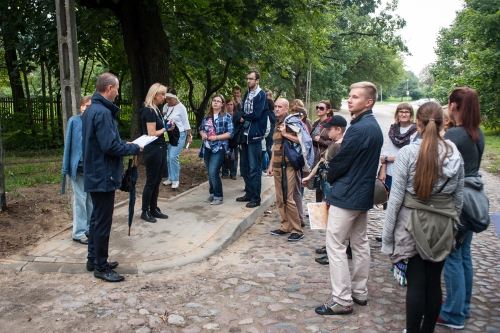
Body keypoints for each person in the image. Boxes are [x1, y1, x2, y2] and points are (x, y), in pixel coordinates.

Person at [381, 101, 464, 333]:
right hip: (442, 224)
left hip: (411, 223)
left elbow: (395, 199)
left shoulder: (408, 153)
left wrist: (388, 237)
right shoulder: (453, 153)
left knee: (416, 282)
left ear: (418, 123)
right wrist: (453, 227)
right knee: (434, 281)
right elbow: (458, 197)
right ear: (442, 123)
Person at [315, 82, 383, 316]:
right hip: (362, 194)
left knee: (335, 245)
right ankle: (359, 292)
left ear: (368, 101)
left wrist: (329, 174)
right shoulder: (372, 126)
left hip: (348, 195)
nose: (349, 100)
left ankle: (343, 299)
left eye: (355, 97)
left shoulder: (360, 128)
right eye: (350, 96)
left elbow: (342, 161)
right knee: (360, 243)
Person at [82, 72, 141, 282]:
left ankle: (93, 259)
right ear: (109, 89)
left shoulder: (92, 110)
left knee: (96, 219)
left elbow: (103, 141)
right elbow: (108, 146)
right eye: (117, 88)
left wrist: (124, 144)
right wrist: (133, 147)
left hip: (96, 172)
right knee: (102, 222)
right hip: (102, 175)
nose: (118, 92)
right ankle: (101, 266)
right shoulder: (103, 112)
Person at [438, 87, 485, 330]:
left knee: (452, 256)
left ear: (454, 106)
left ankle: (453, 313)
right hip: (473, 199)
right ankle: (463, 308)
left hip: (457, 201)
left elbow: (441, 170)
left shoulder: (454, 135)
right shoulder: (478, 133)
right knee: (464, 255)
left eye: (448, 103)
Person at [302, 115, 347, 265]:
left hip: (333, 185)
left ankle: (332, 252)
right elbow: (322, 161)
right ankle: (330, 246)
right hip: (327, 182)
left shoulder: (341, 146)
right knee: (330, 218)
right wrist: (311, 176)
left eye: (329, 130)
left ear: (338, 130)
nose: (326, 133)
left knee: (334, 220)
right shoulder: (334, 144)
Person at [267, 98, 304, 241]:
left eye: (280, 107)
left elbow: (302, 140)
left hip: (288, 166)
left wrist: (286, 134)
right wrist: (270, 165)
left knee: (289, 198)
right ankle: (285, 226)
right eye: (275, 106)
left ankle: (297, 229)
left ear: (286, 108)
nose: (276, 109)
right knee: (280, 198)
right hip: (276, 165)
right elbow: (275, 147)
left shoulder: (291, 123)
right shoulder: (276, 123)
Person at [62, 95, 93, 245]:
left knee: (91, 201)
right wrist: (66, 166)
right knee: (80, 200)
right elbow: (69, 145)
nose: (85, 108)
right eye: (83, 106)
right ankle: (78, 233)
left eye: (89, 106)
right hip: (78, 168)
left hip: (93, 168)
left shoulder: (96, 121)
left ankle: (88, 229)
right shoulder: (74, 121)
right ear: (80, 107)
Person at [236, 70, 268, 208]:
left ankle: (256, 197)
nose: (248, 81)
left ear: (257, 80)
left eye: (251, 79)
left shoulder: (260, 94)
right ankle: (249, 192)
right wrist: (243, 116)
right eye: (247, 78)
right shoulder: (248, 93)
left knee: (255, 167)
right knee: (245, 166)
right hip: (245, 134)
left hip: (255, 135)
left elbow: (256, 113)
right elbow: (244, 109)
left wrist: (244, 117)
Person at [140, 83, 170, 223]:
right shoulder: (149, 111)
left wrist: (166, 126)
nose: (164, 97)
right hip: (153, 150)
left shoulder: (156, 110)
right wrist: (166, 129)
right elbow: (152, 133)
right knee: (151, 181)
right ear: (154, 94)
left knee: (157, 180)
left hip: (160, 148)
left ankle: (154, 208)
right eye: (162, 94)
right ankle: (145, 210)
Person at [198, 94, 234, 205]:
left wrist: (216, 137)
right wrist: (203, 134)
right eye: (214, 100)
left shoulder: (226, 116)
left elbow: (230, 133)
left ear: (222, 104)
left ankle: (219, 196)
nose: (215, 102)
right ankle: (212, 194)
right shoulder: (207, 116)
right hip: (207, 148)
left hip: (219, 148)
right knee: (209, 173)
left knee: (213, 172)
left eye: (218, 101)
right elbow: (201, 129)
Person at [379, 102, 418, 190]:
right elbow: (387, 150)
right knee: (387, 201)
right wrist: (383, 170)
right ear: (397, 114)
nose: (403, 114)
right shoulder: (393, 129)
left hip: (405, 174)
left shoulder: (416, 131)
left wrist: (387, 159)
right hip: (389, 173)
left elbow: (410, 155)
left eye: (406, 112)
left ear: (411, 114)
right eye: (401, 111)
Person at [162, 88, 192, 189]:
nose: (168, 101)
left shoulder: (181, 107)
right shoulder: (166, 106)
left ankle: (175, 179)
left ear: (175, 98)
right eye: (166, 99)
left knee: (173, 156)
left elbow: (186, 123)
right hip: (169, 134)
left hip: (179, 134)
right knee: (167, 156)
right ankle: (170, 178)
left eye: (170, 99)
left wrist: (189, 136)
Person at [308, 101, 334, 202]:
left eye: (321, 108)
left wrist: (321, 140)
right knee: (317, 182)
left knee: (325, 182)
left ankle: (326, 206)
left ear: (327, 110)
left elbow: (335, 142)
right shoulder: (316, 122)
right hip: (315, 155)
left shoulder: (330, 124)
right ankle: (319, 206)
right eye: (317, 107)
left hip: (324, 156)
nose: (318, 109)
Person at [221, 97, 238, 180]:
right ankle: (224, 173)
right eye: (228, 104)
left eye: (231, 104)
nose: (229, 106)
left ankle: (233, 173)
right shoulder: (223, 115)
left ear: (233, 105)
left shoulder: (236, 115)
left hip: (234, 139)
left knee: (234, 156)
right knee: (225, 156)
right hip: (225, 138)